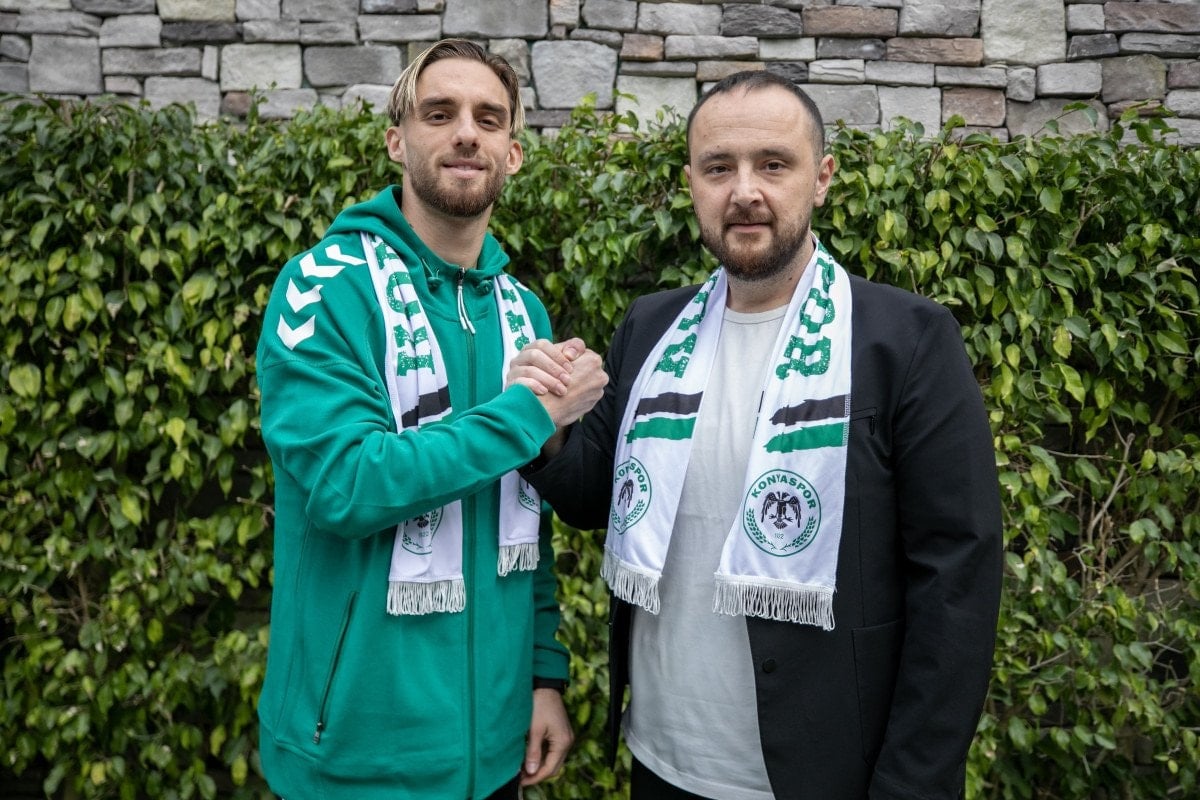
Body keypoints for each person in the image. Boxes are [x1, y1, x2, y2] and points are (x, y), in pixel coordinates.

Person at [511, 71, 1004, 799]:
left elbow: (957, 580)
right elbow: (594, 499)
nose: (745, 191)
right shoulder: (652, 327)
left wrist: (914, 783)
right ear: (692, 186)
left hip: (827, 772)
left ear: (822, 178)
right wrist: (548, 423)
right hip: (663, 759)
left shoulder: (904, 340)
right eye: (719, 168)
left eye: (774, 164)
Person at [255, 39, 607, 800]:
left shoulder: (522, 311)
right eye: (439, 113)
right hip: (354, 760)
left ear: (513, 154)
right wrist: (526, 415)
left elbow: (524, 513)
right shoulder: (324, 286)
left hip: (495, 751)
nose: (466, 133)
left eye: (489, 119)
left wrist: (543, 676)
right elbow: (346, 485)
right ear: (397, 140)